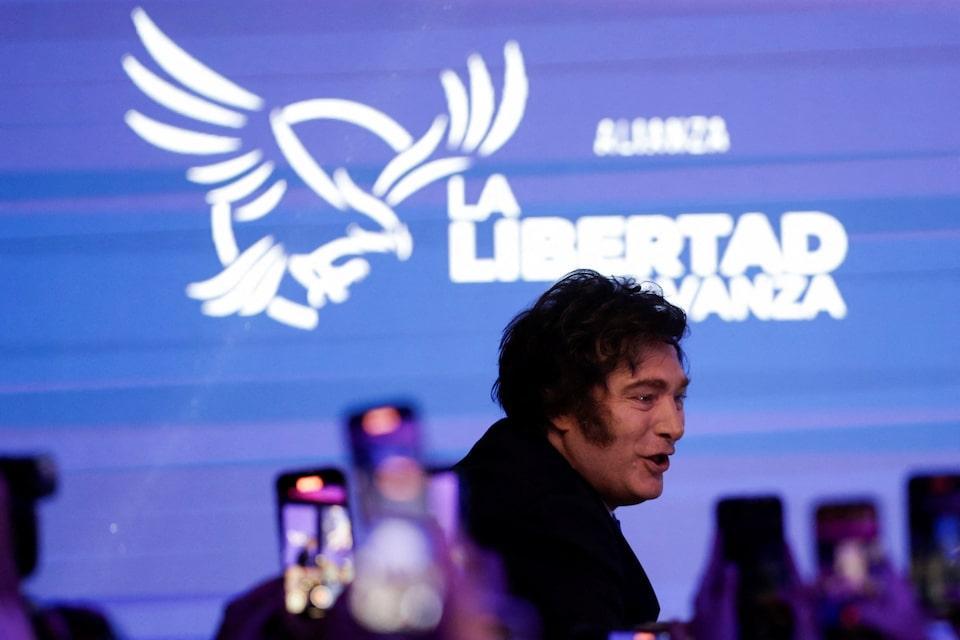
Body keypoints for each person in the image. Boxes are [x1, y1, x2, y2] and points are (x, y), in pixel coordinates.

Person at [455, 269, 690, 640]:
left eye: (678, 398)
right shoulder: (543, 517)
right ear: (560, 405)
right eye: (644, 397)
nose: (674, 426)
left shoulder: (515, 472)